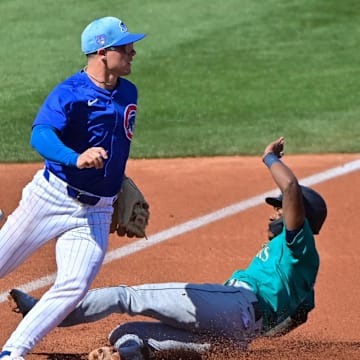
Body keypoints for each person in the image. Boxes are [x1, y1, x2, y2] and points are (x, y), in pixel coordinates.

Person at [8, 137, 327, 360]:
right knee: (125, 333)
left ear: (300, 216)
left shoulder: (298, 243)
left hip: (236, 305)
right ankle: (126, 356)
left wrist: (270, 157)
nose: (275, 213)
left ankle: (42, 310)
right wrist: (254, 331)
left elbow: (290, 188)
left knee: (127, 297)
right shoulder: (303, 271)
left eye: (280, 210)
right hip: (235, 336)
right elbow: (298, 317)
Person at [0, 16, 146, 360]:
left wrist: (116, 185)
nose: (133, 52)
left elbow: (116, 145)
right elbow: (41, 134)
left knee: (74, 285)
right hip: (49, 199)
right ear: (102, 52)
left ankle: (13, 353)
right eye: (126, 48)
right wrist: (75, 157)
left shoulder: (128, 92)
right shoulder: (70, 93)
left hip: (95, 211)